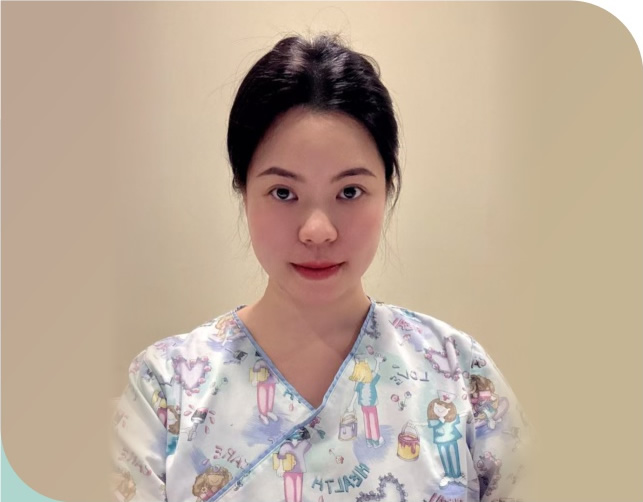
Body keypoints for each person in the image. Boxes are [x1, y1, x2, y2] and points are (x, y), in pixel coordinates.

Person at [112, 32, 530, 502]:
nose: (317, 230)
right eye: (283, 193)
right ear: (243, 192)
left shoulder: (460, 374)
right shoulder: (165, 390)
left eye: (349, 192)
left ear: (387, 191)